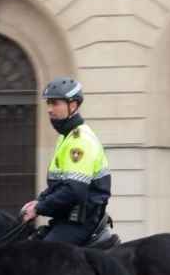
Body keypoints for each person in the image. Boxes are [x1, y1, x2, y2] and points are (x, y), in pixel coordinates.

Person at [21, 77, 111, 245]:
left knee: (43, 258)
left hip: (81, 222)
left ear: (73, 105)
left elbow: (73, 191)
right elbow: (60, 185)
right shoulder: (66, 137)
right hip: (66, 218)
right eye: (48, 103)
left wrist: (40, 208)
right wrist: (40, 201)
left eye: (55, 103)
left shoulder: (80, 140)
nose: (49, 109)